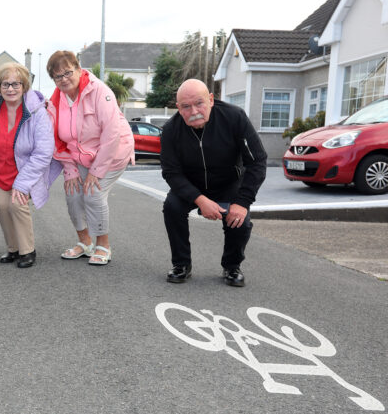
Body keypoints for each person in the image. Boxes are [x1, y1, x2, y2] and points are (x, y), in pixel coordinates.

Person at [160, 78, 267, 287]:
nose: (193, 111)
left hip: (228, 182)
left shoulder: (234, 117)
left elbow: (257, 161)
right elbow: (171, 173)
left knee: (240, 220)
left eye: (199, 103)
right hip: (192, 185)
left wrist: (243, 202)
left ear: (210, 99)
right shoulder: (171, 130)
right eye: (186, 106)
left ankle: (232, 266)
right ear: (178, 108)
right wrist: (200, 200)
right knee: (172, 206)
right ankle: (181, 264)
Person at [46, 50, 134, 266]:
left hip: (113, 153)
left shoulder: (100, 92)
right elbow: (56, 139)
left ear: (78, 69)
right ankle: (85, 242)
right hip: (80, 157)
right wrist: (70, 169)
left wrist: (96, 171)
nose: (64, 79)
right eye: (58, 76)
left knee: (93, 193)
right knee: (73, 192)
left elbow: (112, 134)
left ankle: (103, 244)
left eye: (67, 72)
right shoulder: (55, 102)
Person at [0, 62, 57, 269]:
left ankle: (27, 250)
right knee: (2, 207)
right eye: (5, 84)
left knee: (17, 205)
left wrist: (23, 183)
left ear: (24, 86)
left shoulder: (36, 112)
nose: (10, 89)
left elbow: (44, 152)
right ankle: (13, 248)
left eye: (16, 84)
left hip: (23, 170)